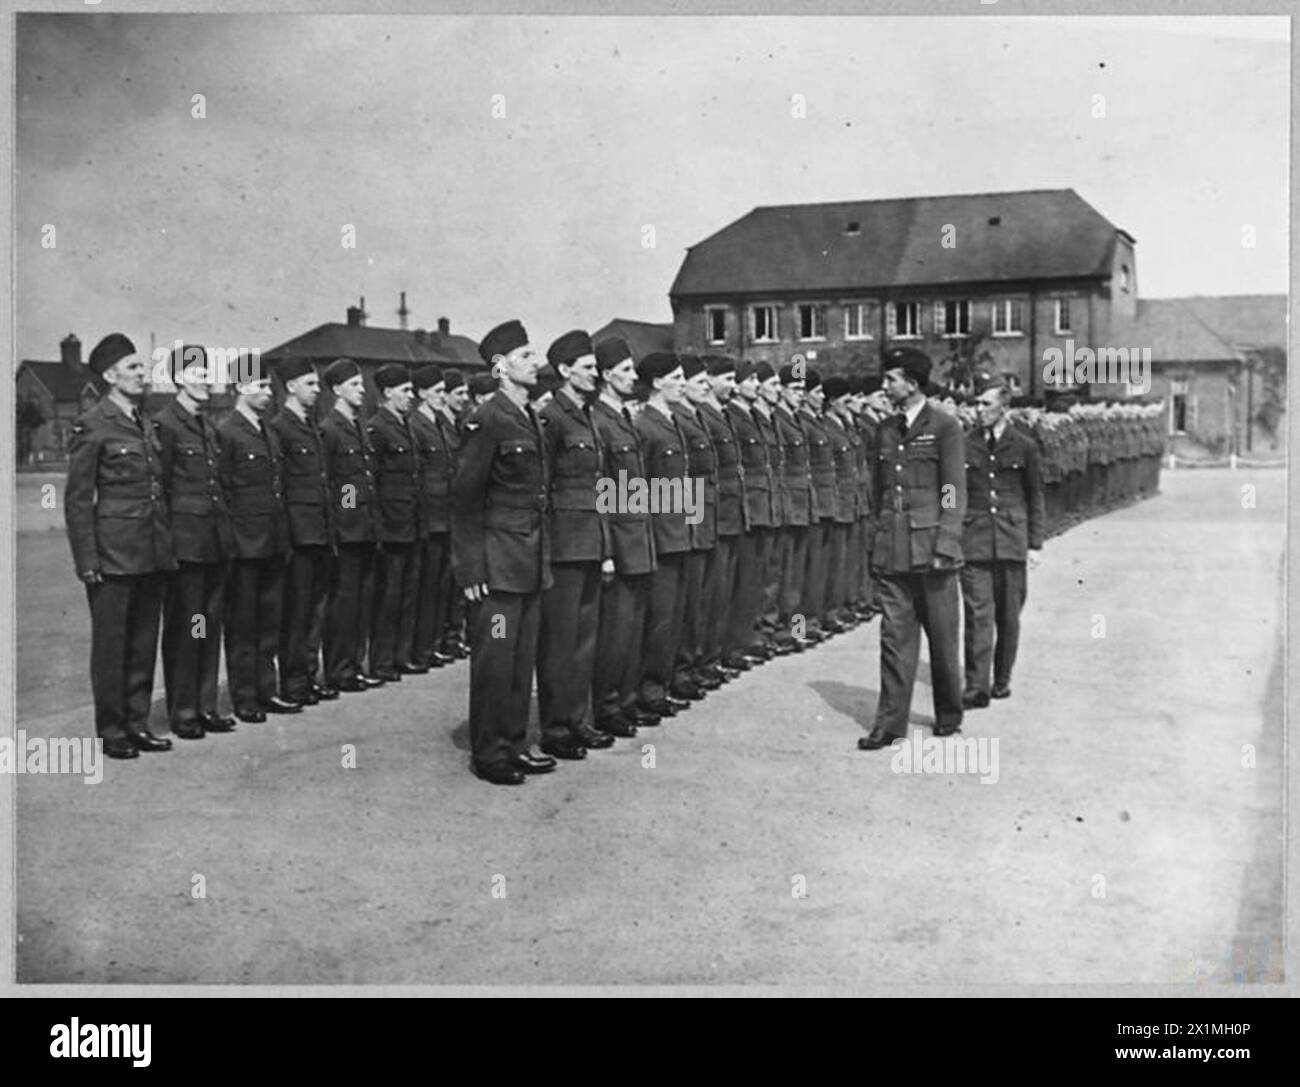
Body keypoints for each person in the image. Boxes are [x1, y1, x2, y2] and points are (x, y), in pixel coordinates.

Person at [451, 319, 556, 786]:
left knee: (520, 657)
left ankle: (514, 741)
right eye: (527, 356)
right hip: (496, 563)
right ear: (501, 366)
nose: (538, 363)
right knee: (495, 659)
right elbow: (464, 498)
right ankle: (490, 753)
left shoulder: (529, 413)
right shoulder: (487, 418)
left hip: (529, 560)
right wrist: (470, 566)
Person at [65, 333, 177, 759]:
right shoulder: (93, 424)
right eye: (133, 368)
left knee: (143, 643)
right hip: (112, 557)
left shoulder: (143, 422)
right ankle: (112, 731)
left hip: (150, 552)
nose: (142, 374)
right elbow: (78, 500)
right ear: (111, 375)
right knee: (112, 647)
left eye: (142, 367)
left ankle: (137, 722)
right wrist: (87, 561)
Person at [860, 346, 966, 751]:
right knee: (894, 639)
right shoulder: (884, 429)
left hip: (932, 548)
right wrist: (877, 541)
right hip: (894, 549)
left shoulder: (945, 427)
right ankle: (889, 725)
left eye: (891, 379)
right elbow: (877, 491)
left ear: (913, 383)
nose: (885, 386)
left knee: (942, 639)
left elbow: (953, 490)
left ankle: (948, 715)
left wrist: (947, 542)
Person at [536, 330, 617, 759]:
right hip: (564, 548)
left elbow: (598, 487)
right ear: (565, 371)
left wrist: (605, 548)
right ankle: (555, 727)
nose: (595, 374)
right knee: (559, 642)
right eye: (587, 368)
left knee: (585, 640)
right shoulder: (551, 417)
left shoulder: (586, 416)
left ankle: (578, 719)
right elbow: (542, 489)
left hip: (589, 542)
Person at [155, 343, 236, 740]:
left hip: (213, 547)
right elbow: (163, 492)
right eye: (198, 374)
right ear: (179, 380)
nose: (206, 380)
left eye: (208, 373)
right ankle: (183, 709)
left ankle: (206, 705)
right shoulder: (167, 425)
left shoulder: (206, 426)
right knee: (188, 630)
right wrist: (168, 548)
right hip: (186, 551)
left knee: (207, 628)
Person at [218, 366, 297, 723]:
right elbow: (223, 493)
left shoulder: (268, 431)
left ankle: (267, 690)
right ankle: (245, 697)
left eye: (270, 385)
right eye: (261, 385)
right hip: (244, 547)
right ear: (239, 386)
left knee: (269, 624)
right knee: (243, 626)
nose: (268, 392)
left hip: (273, 543)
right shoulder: (227, 432)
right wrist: (232, 544)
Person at [960, 378, 1045, 707]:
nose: (978, 409)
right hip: (975, 540)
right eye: (977, 403)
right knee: (977, 615)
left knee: (1008, 616)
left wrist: (1035, 543)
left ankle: (1002, 677)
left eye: (985, 404)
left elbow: (1035, 495)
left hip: (1012, 540)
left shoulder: (1024, 446)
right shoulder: (966, 444)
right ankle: (976, 685)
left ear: (1004, 408)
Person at [589, 337, 656, 736]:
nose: (633, 377)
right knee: (614, 632)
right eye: (627, 371)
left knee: (631, 629)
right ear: (606, 374)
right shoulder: (599, 420)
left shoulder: (624, 418)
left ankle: (626, 700)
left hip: (638, 537)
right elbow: (602, 491)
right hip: (618, 540)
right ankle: (607, 705)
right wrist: (607, 550)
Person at [271, 357, 338, 707]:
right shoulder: (281, 428)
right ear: (291, 386)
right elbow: (279, 487)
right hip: (298, 535)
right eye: (310, 384)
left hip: (320, 533)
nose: (316, 390)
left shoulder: (312, 427)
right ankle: (293, 681)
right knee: (296, 613)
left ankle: (309, 675)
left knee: (315, 610)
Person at [634, 352, 694, 718]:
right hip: (658, 537)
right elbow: (634, 489)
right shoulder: (645, 426)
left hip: (678, 534)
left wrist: (689, 524)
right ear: (657, 382)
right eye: (677, 376)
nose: (682, 383)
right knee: (656, 620)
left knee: (671, 618)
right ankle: (649, 691)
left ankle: (661, 684)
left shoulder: (670, 422)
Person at [320, 358, 383, 693]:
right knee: (343, 606)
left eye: (362, 384)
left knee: (360, 604)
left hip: (365, 529)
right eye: (355, 385)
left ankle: (354, 665)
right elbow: (337, 484)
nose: (362, 390)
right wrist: (348, 519)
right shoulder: (330, 429)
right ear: (337, 390)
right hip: (348, 532)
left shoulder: (358, 425)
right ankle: (339, 669)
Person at [367, 363, 424, 681]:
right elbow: (368, 482)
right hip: (390, 527)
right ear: (388, 393)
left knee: (407, 595)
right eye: (405, 391)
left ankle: (402, 656)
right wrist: (375, 525)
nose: (411, 397)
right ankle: (382, 661)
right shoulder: (377, 428)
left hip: (411, 523)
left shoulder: (406, 426)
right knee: (388, 598)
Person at [724, 359, 776, 666]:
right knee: (743, 583)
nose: (755, 386)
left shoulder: (754, 418)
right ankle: (737, 644)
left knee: (761, 579)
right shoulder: (736, 418)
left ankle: (751, 639)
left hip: (763, 507)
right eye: (751, 380)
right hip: (742, 510)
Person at [409, 365, 457, 670]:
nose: (443, 396)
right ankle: (421, 649)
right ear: (422, 393)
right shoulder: (416, 425)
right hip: (429, 519)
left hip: (447, 517)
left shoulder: (441, 424)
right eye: (437, 391)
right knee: (425, 590)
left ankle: (435, 643)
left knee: (441, 588)